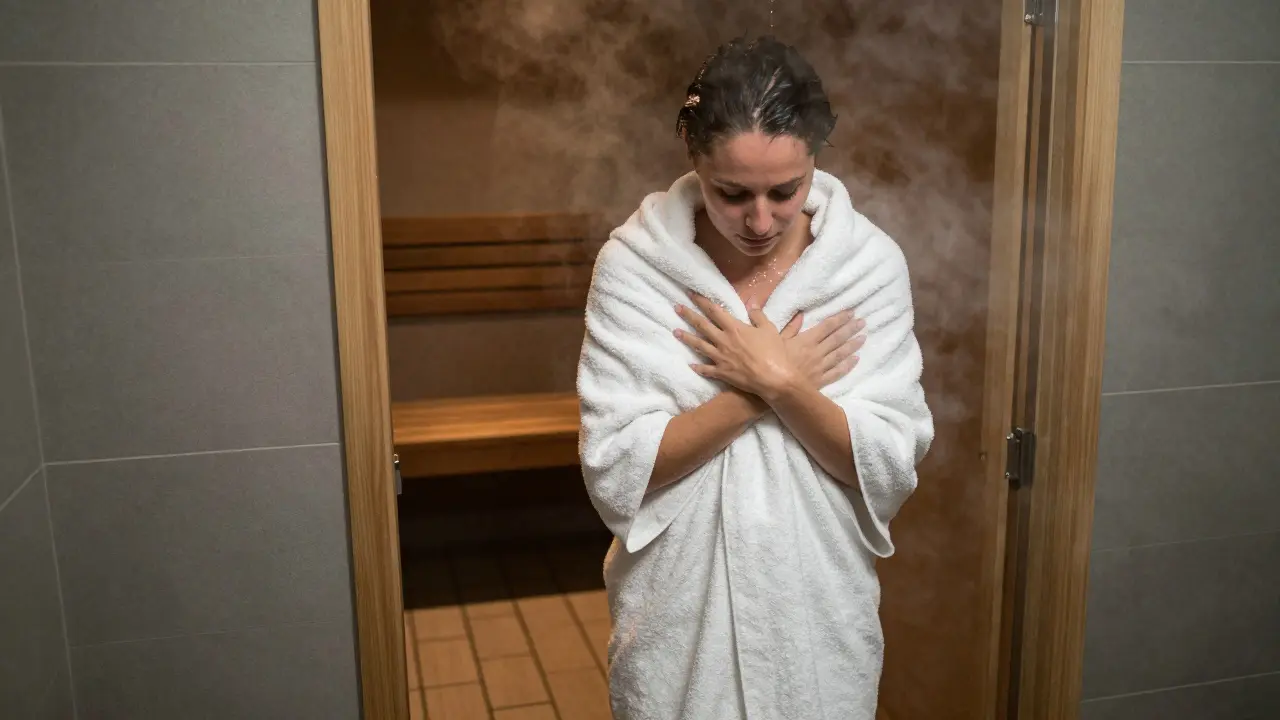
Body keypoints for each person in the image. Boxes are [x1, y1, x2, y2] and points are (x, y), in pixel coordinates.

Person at [576, 35, 934, 720]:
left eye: (785, 191)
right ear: (694, 161)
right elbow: (618, 465)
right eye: (732, 193)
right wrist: (757, 389)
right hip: (684, 612)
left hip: (816, 608)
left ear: (816, 161)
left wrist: (786, 386)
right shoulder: (636, 270)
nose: (761, 220)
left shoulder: (866, 267)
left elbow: (887, 462)